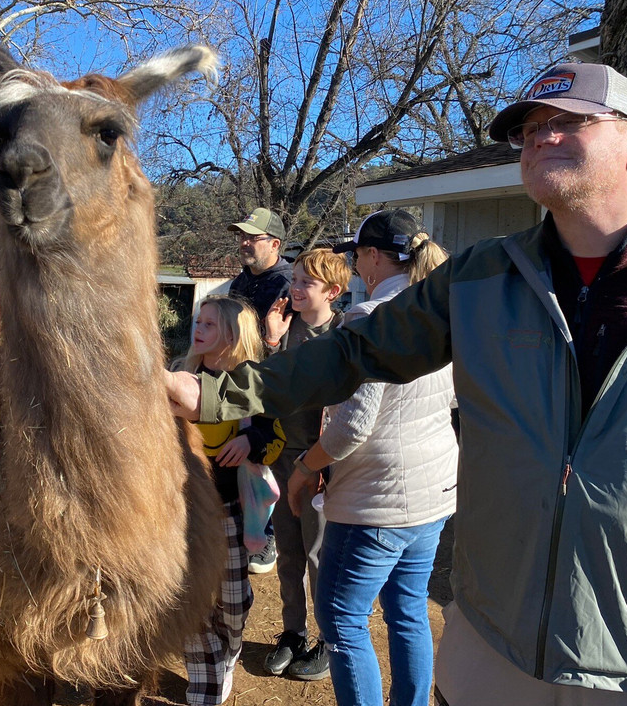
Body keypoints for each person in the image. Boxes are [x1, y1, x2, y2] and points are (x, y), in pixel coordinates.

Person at [166, 62, 627, 706]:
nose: (539, 138)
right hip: (488, 651)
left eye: (567, 122)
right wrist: (216, 394)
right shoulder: (482, 278)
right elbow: (354, 352)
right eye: (529, 129)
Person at [285, 211, 456, 706]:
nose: (356, 266)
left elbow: (352, 426)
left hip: (378, 500)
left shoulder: (370, 319)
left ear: (376, 257)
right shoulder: (439, 314)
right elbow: (451, 398)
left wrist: (305, 468)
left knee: (340, 615)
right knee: (407, 610)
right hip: (433, 491)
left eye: (357, 255)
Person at [179, 296, 281, 706]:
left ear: (233, 336)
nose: (198, 329)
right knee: (191, 604)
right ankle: (204, 688)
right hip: (183, 515)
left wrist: (250, 439)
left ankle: (230, 653)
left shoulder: (252, 381)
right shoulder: (180, 376)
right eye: (197, 322)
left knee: (233, 606)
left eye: (209, 324)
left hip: (233, 513)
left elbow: (276, 439)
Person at [259, 247, 350, 680]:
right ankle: (293, 633)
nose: (294, 289)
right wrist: (272, 341)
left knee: (319, 558)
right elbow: (266, 390)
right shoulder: (285, 330)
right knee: (291, 554)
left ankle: (329, 642)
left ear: (332, 292)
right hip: (283, 458)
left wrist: (320, 466)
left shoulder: (346, 333)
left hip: (323, 466)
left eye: (305, 283)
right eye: (293, 280)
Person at [227, 207, 292, 574]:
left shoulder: (284, 283)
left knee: (261, 459)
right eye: (243, 236)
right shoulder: (241, 282)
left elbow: (282, 343)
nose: (245, 242)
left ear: (275, 243)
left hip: (268, 386)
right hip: (236, 381)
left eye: (253, 237)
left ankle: (264, 537)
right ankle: (246, 530)